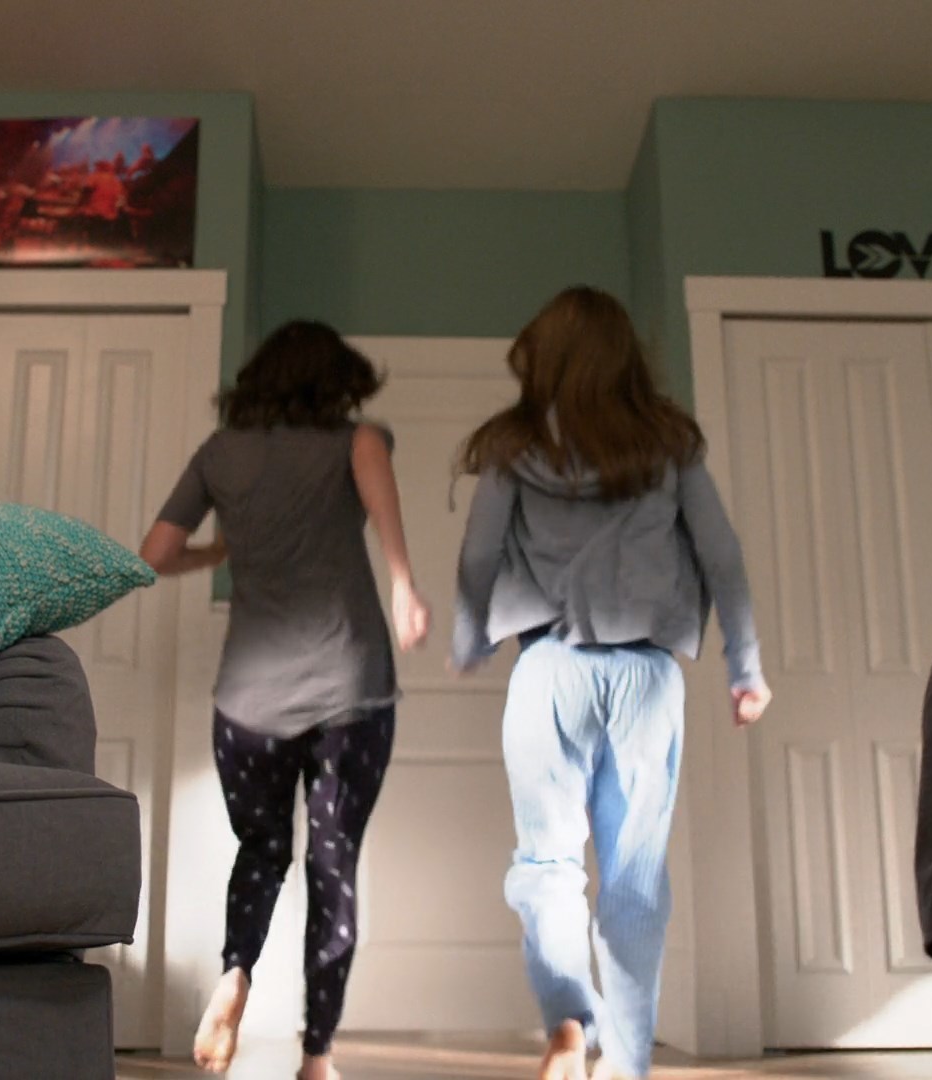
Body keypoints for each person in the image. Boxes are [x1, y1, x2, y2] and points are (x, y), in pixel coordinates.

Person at [447, 286, 769, 1080]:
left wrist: (468, 639)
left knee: (547, 864)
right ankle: (626, 1064)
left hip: (548, 670)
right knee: (633, 878)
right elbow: (722, 555)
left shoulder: (514, 445)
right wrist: (745, 668)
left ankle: (568, 1022)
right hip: (646, 676)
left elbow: (478, 554)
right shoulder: (668, 442)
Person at [140, 320, 430, 1080]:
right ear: (333, 382)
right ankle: (316, 1055)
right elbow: (386, 524)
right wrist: (405, 586)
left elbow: (156, 554)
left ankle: (235, 974)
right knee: (333, 867)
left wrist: (220, 550)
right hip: (349, 692)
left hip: (247, 702)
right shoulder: (358, 441)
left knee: (261, 851)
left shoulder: (219, 454)